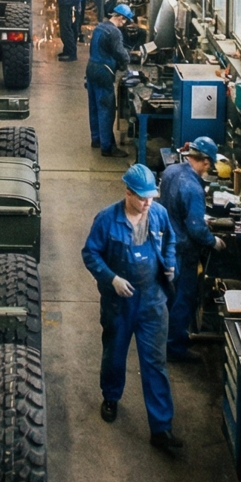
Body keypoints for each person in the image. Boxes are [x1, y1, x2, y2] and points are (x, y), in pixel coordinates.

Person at [81, 164, 182, 453]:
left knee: (155, 363)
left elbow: (170, 239)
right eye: (142, 197)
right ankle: (111, 397)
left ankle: (161, 429)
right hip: (120, 303)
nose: (148, 203)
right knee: (114, 354)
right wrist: (111, 279)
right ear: (127, 192)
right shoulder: (107, 220)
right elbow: (90, 253)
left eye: (152, 197)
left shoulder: (158, 214)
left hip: (152, 301)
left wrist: (170, 261)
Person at [159, 137, 225, 363]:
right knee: (183, 299)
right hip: (183, 251)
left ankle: (161, 339)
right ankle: (175, 348)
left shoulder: (170, 172)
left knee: (168, 297)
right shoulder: (193, 188)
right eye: (210, 164)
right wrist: (213, 241)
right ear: (205, 161)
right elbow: (196, 228)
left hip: (165, 244)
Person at [87, 3, 131, 155]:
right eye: (125, 21)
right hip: (103, 72)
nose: (124, 24)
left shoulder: (99, 27)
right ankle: (107, 147)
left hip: (91, 68)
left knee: (94, 106)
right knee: (106, 109)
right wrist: (126, 63)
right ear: (120, 17)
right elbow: (120, 53)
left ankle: (96, 139)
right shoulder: (114, 32)